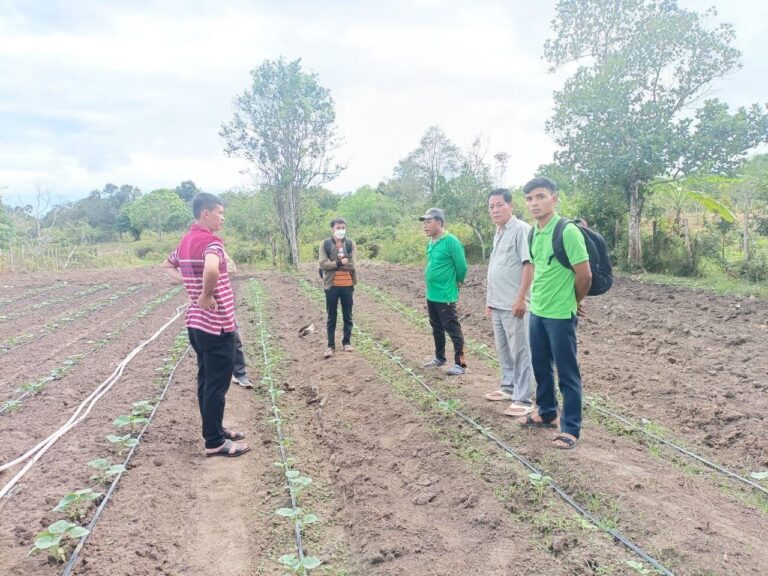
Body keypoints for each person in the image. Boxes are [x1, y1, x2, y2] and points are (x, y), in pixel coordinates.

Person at [161, 192, 249, 458]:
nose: (223, 218)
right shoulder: (211, 242)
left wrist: (189, 282)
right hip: (216, 325)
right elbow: (211, 269)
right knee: (216, 385)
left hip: (197, 325)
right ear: (206, 213)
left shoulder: (186, 241)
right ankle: (214, 442)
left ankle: (215, 429)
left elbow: (167, 265)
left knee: (206, 380)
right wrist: (206, 294)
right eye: (220, 212)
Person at [519, 177, 591, 450]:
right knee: (540, 365)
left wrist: (573, 300)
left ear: (554, 199)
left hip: (560, 314)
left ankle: (570, 428)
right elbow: (538, 270)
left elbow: (585, 275)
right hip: (537, 310)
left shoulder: (567, 231)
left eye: (540, 196)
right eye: (529, 199)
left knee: (567, 372)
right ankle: (547, 411)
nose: (534, 203)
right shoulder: (533, 232)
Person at [484, 188, 534, 416]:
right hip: (498, 302)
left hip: (515, 304)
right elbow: (496, 267)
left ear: (510, 206)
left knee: (521, 351)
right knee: (504, 349)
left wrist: (521, 298)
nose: (495, 210)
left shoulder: (521, 230)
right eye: (491, 206)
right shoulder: (498, 233)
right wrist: (490, 299)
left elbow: (528, 264)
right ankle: (508, 386)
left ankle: (524, 398)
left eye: (499, 205)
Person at [419, 207, 468, 376]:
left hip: (445, 294)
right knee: (436, 328)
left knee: (453, 329)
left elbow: (462, 267)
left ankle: (461, 364)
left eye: (428, 222)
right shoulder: (431, 242)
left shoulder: (451, 241)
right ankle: (439, 358)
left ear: (439, 222)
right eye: (424, 222)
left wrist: (456, 283)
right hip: (431, 293)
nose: (425, 226)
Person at [319, 217, 357, 359]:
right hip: (331, 286)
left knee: (348, 315)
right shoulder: (325, 244)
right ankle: (330, 346)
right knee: (331, 317)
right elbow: (323, 265)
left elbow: (352, 265)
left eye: (343, 228)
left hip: (347, 285)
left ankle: (347, 343)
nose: (341, 230)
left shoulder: (350, 244)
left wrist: (333, 264)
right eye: (338, 228)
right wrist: (340, 263)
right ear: (332, 229)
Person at [223, 253, 253, 388]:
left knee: (234, 338)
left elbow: (231, 267)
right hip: (204, 307)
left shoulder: (215, 248)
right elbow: (168, 265)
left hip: (224, 305)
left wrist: (213, 271)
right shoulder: (187, 249)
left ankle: (239, 374)